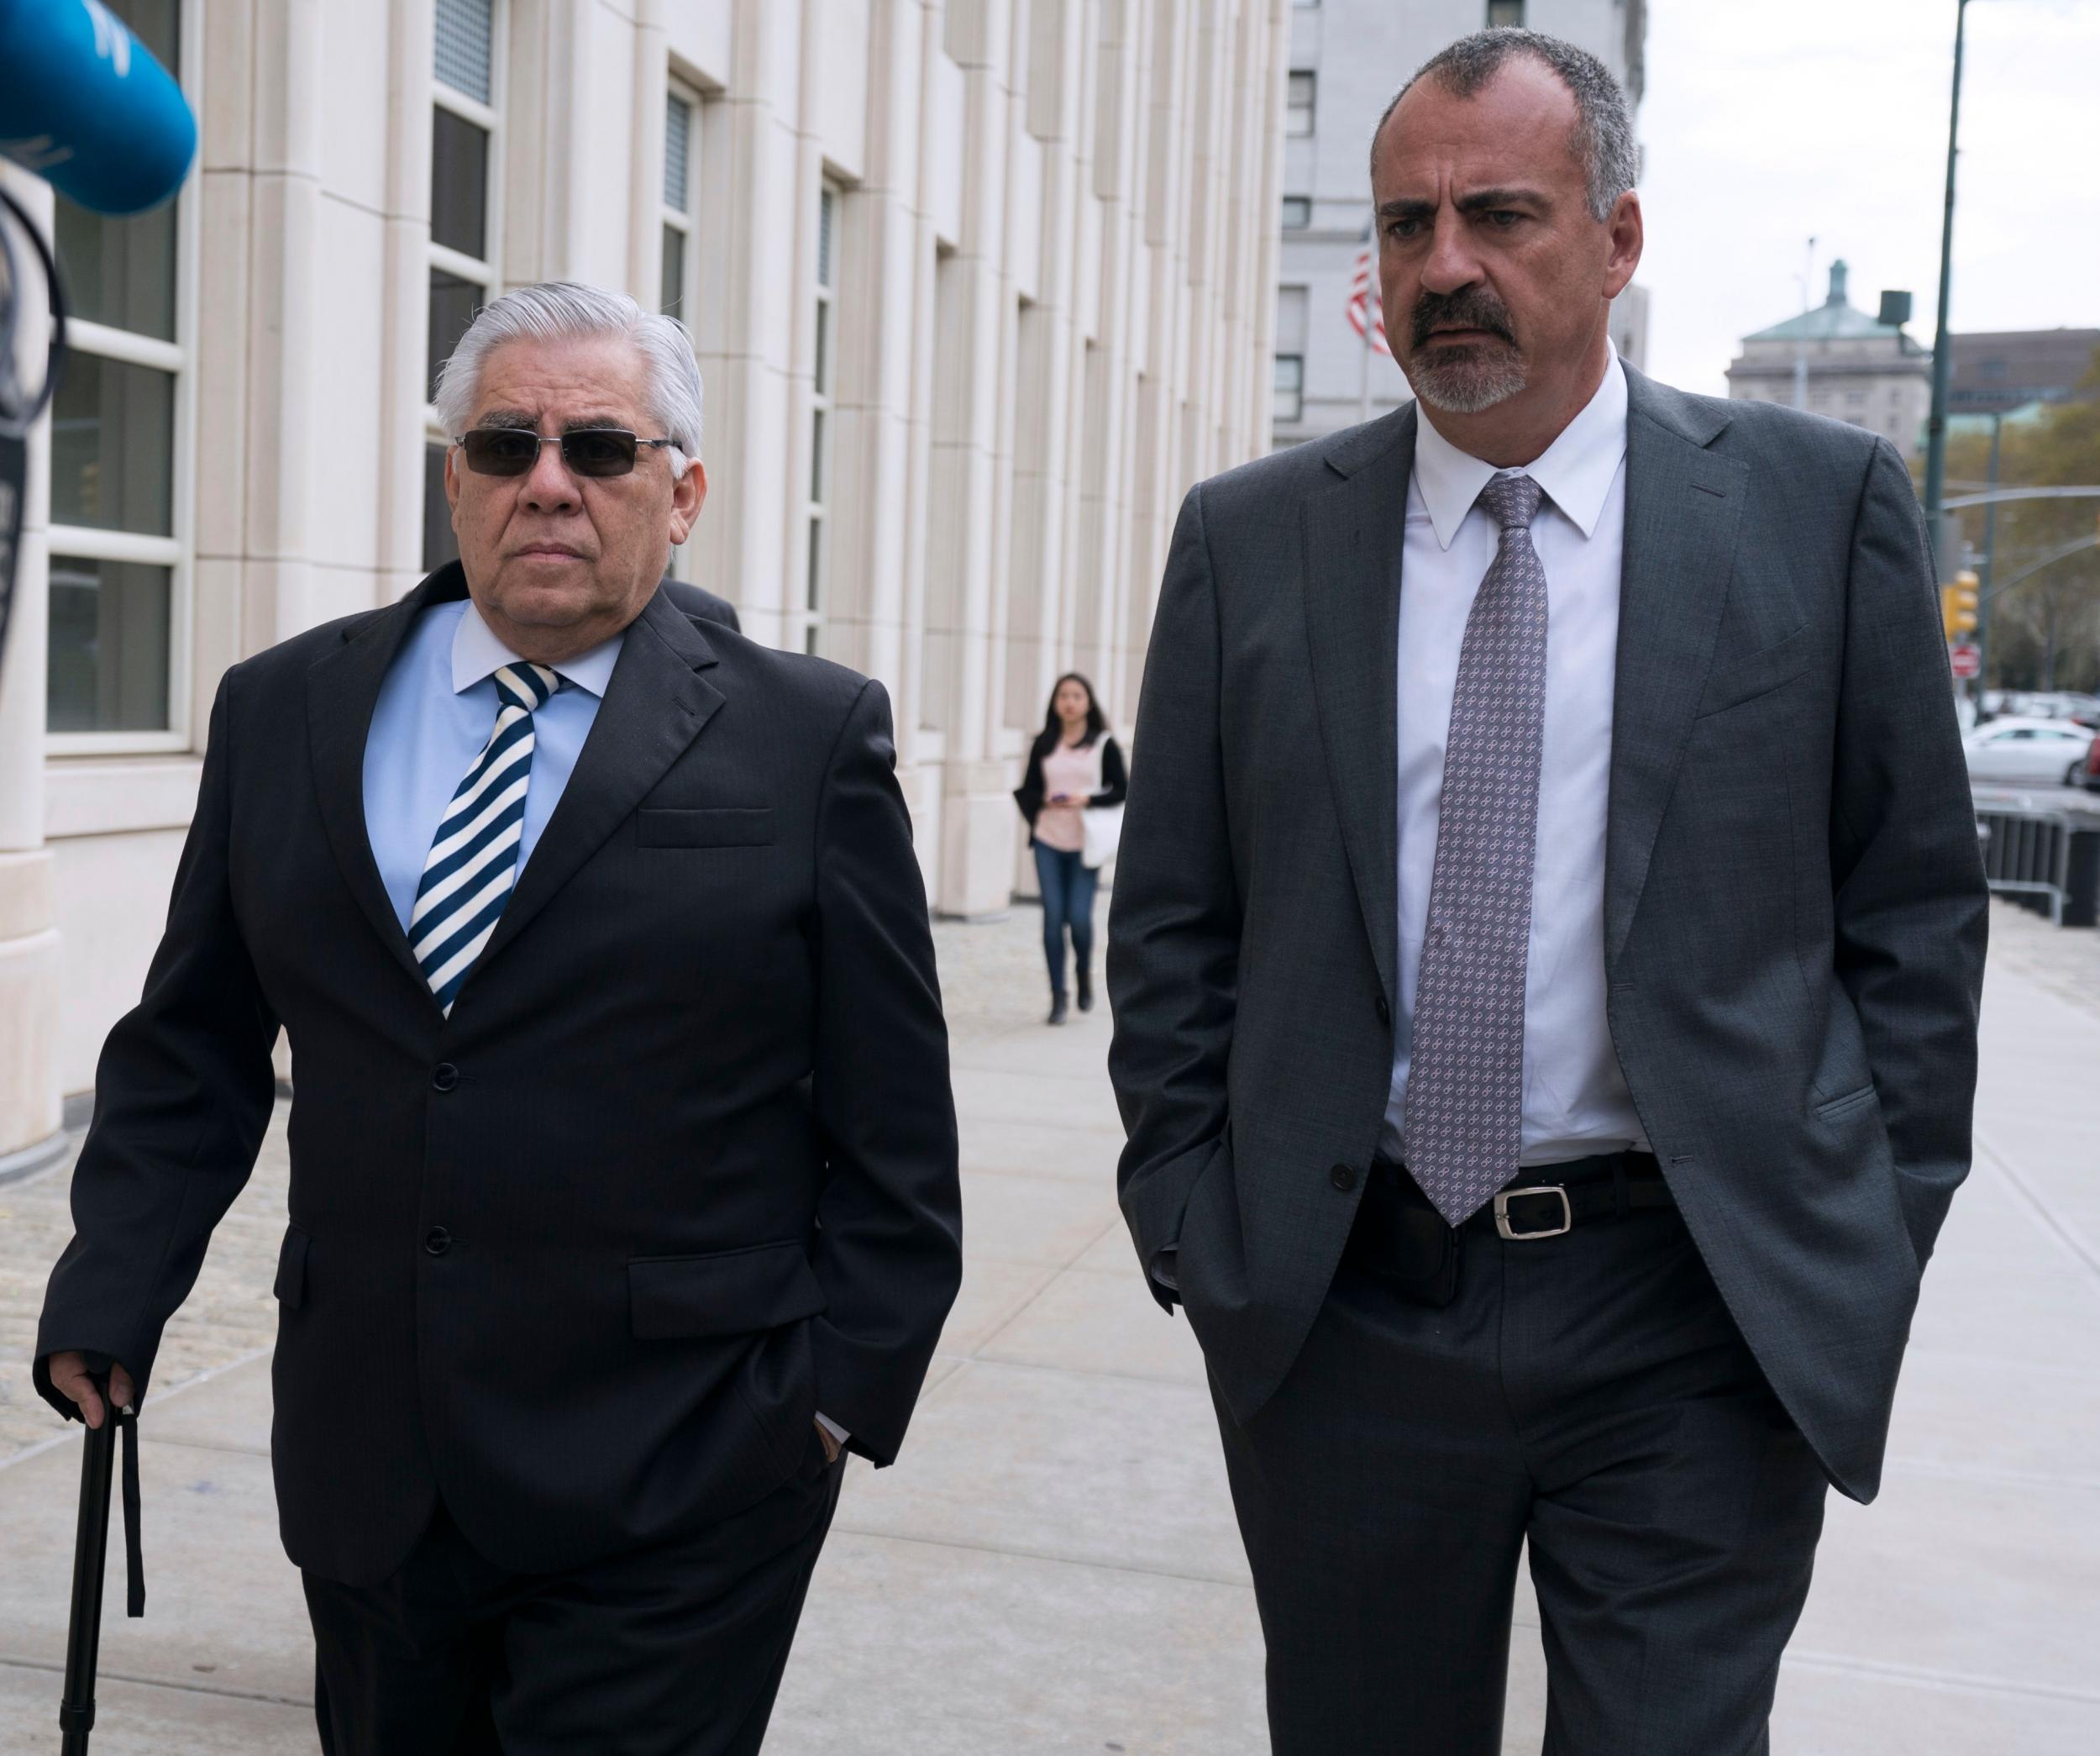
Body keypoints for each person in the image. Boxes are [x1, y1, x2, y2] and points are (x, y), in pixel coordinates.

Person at [1108, 29, 1984, 1756]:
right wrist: (1195, 1222)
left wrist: (1862, 1232)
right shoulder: (1251, 538)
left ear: (1616, 240)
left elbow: (1911, 911)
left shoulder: (1812, 512)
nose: (1445, 268)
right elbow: (1174, 925)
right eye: (1403, 227)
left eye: (1498, 215)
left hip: (1691, 1296)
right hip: (1348, 1299)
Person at [33, 281, 962, 1756]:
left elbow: (896, 1126)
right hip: (370, 1466)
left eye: (600, 448)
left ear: (683, 492)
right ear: (454, 475)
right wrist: (110, 1286)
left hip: (686, 1473)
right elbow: (194, 1044)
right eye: (503, 443)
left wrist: (832, 1409)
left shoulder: (806, 738)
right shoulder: (284, 711)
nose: (547, 482)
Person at [1013, 673, 1127, 1024]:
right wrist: (1044, 799)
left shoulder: (1103, 744)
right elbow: (1027, 788)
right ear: (1055, 702)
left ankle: (1082, 972)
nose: (1070, 701)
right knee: (1052, 919)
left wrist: (1087, 798)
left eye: (1077, 695)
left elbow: (1122, 789)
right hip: (1049, 838)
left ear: (1088, 702)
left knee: (1078, 918)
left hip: (1084, 843)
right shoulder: (1044, 743)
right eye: (1063, 695)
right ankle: (1059, 995)